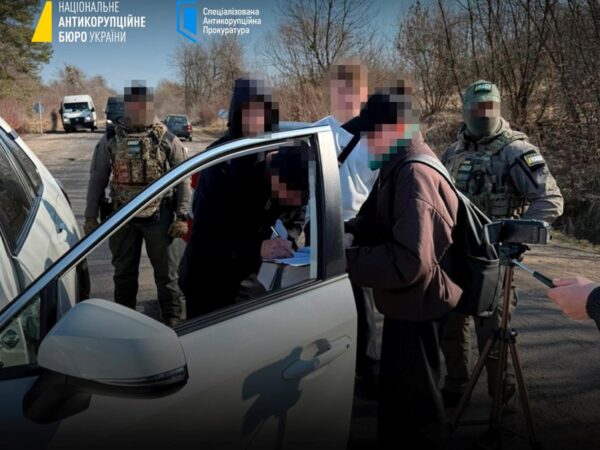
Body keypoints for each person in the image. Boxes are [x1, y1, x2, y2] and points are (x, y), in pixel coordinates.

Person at [345, 82, 461, 449]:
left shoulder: (414, 175)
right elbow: (376, 220)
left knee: (416, 411)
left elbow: (410, 260)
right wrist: (344, 233)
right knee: (399, 402)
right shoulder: (397, 165)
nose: (366, 143)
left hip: (419, 308)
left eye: (370, 134)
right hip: (406, 304)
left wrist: (344, 262)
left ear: (396, 130)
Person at [440, 80, 564, 407]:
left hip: (492, 259)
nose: (483, 114)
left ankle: (501, 402)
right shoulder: (453, 152)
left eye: (489, 107)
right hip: (454, 253)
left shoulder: (516, 151)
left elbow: (550, 200)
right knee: (451, 325)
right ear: (465, 110)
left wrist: (512, 237)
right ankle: (456, 385)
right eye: (476, 107)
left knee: (493, 333)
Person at [179, 77, 308, 319]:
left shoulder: (286, 155)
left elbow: (296, 213)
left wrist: (287, 240)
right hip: (210, 281)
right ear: (236, 113)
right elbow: (203, 242)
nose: (256, 119)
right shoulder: (219, 161)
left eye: (263, 111)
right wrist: (258, 248)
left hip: (255, 281)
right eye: (249, 111)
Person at [83, 81, 191, 327]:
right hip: (122, 217)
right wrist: (90, 216)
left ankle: (173, 320)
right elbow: (98, 177)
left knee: (167, 275)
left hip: (160, 217)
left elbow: (183, 179)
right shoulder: (111, 139)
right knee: (123, 274)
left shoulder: (167, 139)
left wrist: (182, 216)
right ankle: (125, 321)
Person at [313, 60, 382, 385]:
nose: (346, 94)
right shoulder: (315, 132)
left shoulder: (376, 138)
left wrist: (366, 230)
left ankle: (367, 368)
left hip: (359, 229)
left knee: (361, 302)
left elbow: (383, 190)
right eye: (340, 88)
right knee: (321, 301)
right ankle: (327, 369)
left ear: (364, 92)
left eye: (353, 88)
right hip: (319, 229)